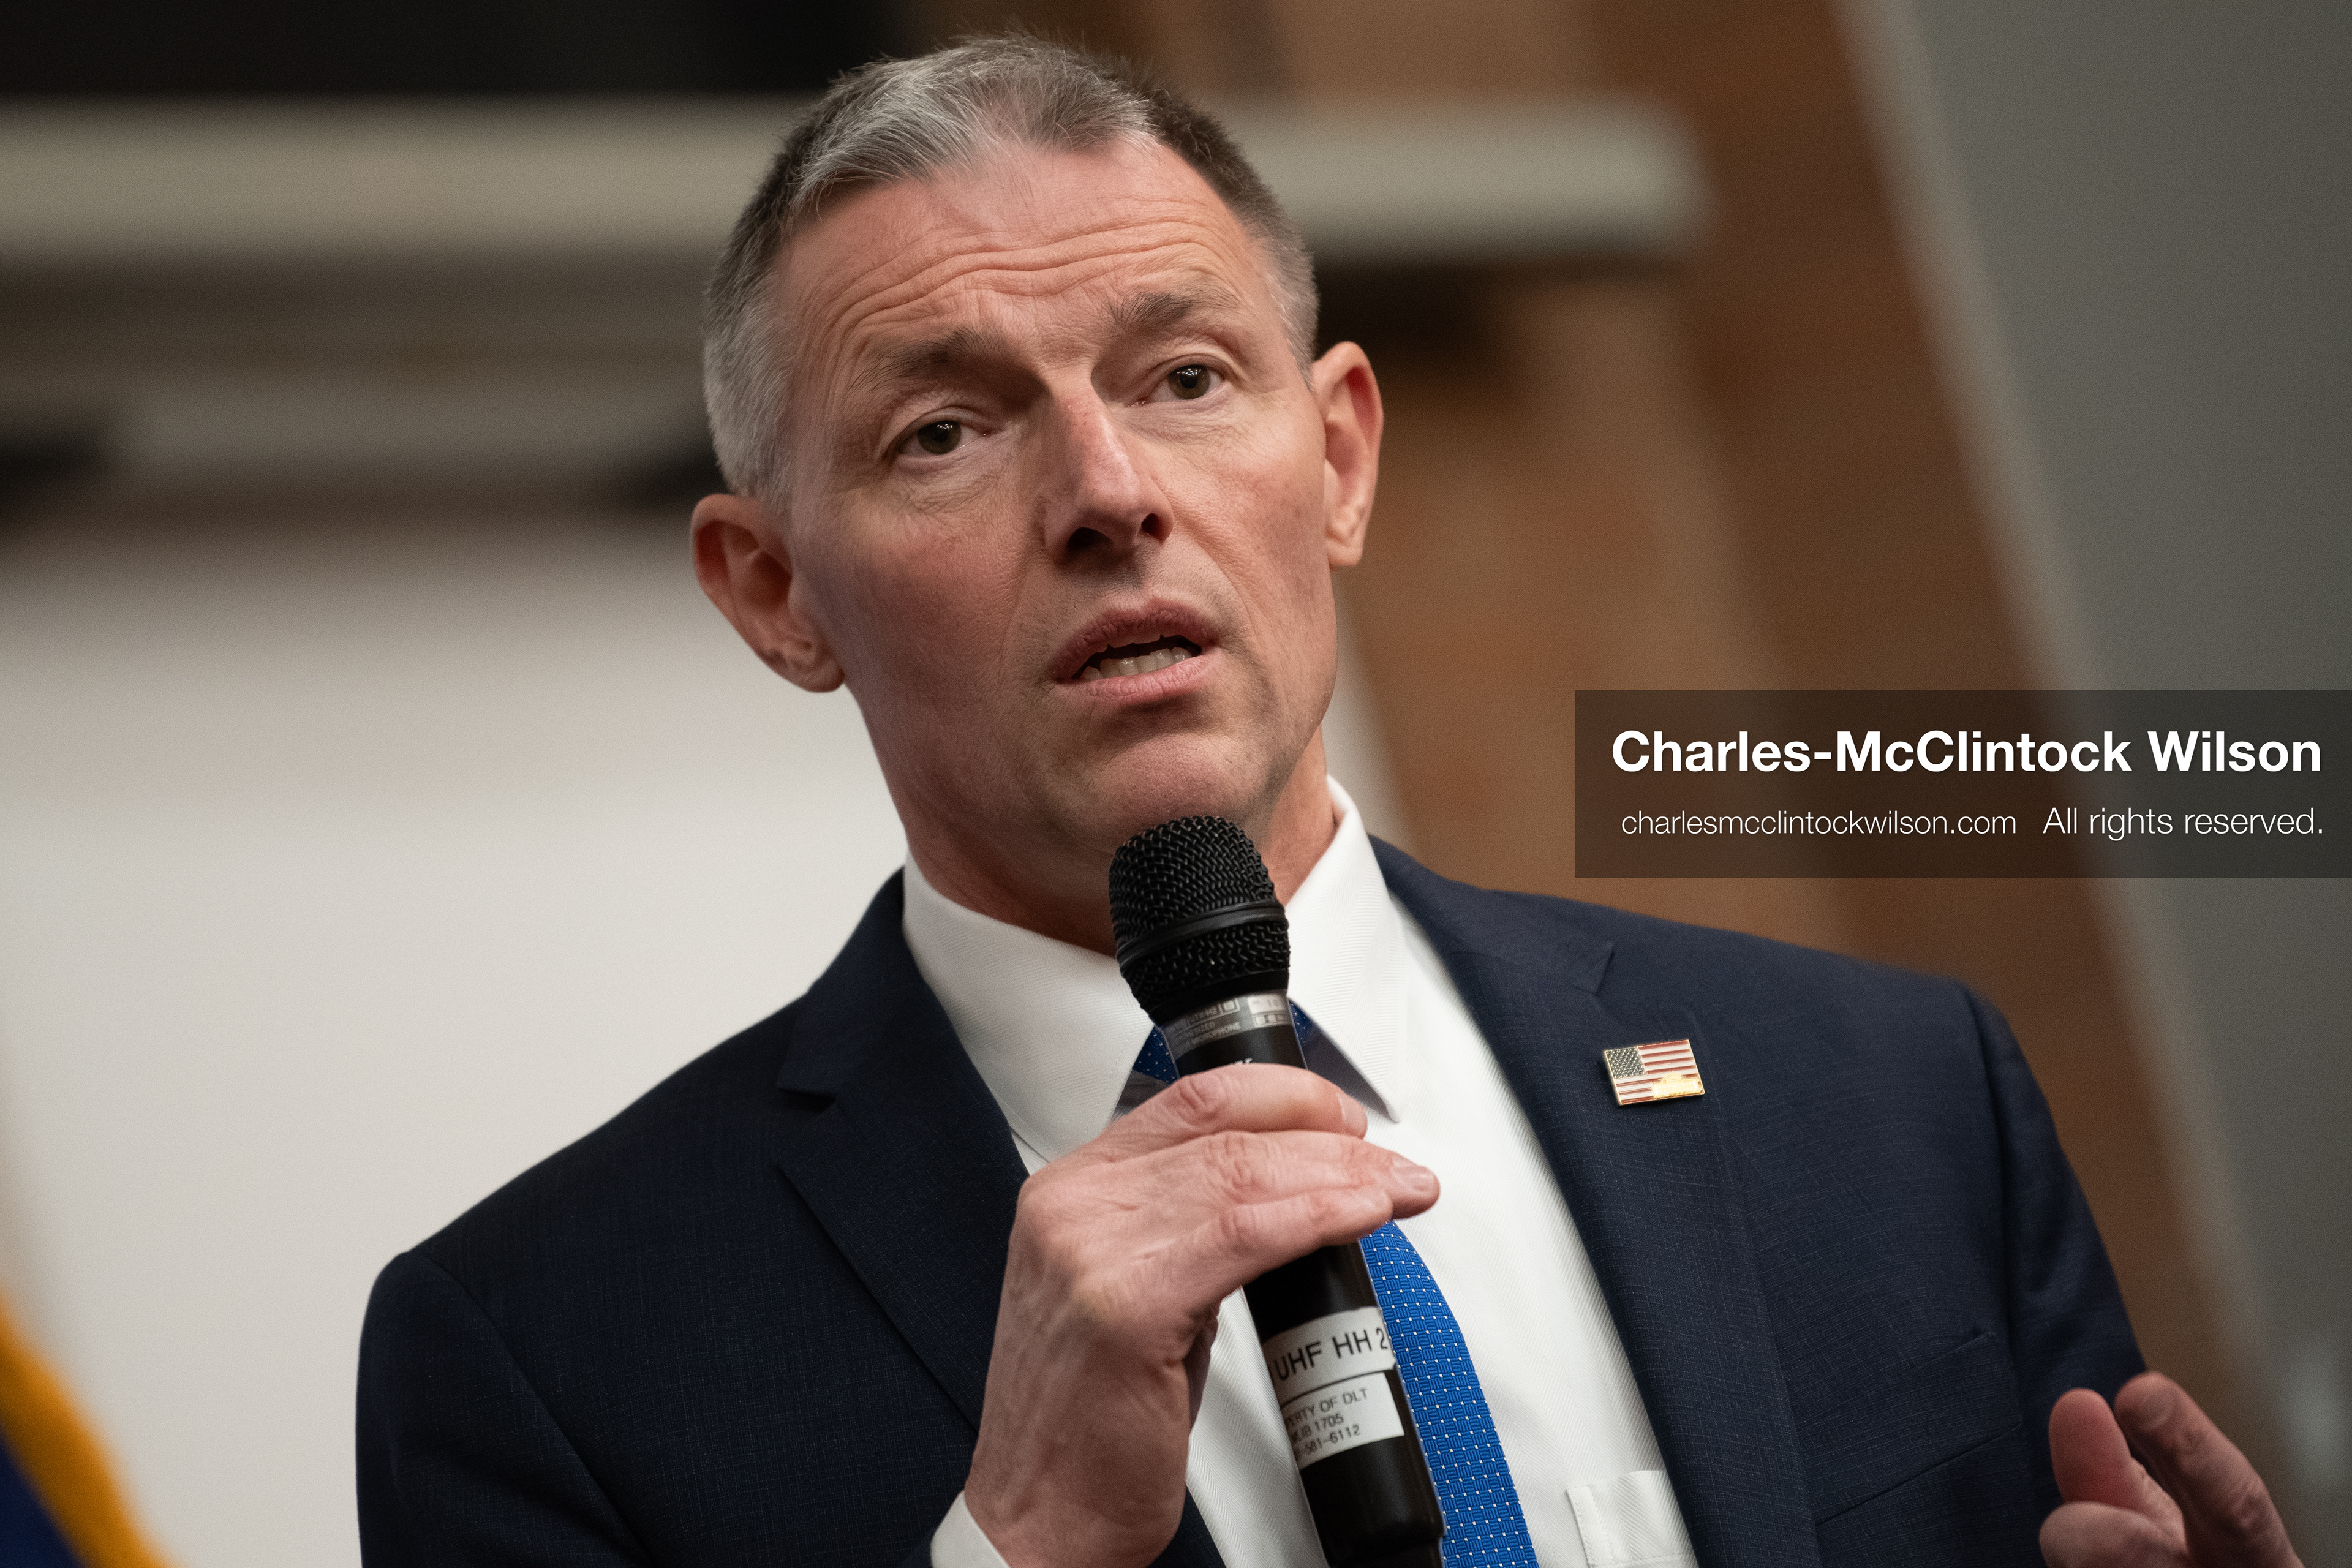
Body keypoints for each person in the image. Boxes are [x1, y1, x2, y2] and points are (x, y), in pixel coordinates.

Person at [355, 37, 2303, 1568]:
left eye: (1188, 377)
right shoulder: (549, 1359)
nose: (1112, 491)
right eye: (946, 429)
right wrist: (1016, 1547)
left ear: (1342, 457)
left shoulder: (1885, 1096)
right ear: (775, 595)